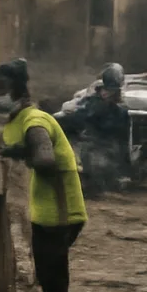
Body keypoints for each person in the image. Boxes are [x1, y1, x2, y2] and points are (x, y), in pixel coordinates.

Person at [0, 58, 87, 292]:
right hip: (45, 210)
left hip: (62, 210)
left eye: (1, 88)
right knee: (46, 270)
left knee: (52, 273)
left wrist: (17, 151)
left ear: (18, 91)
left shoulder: (34, 121)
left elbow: (44, 159)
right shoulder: (16, 120)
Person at [57, 63, 131, 195]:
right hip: (97, 151)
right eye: (105, 90)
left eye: (109, 90)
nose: (106, 93)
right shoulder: (97, 103)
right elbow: (77, 116)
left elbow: (123, 142)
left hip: (101, 152)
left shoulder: (113, 110)